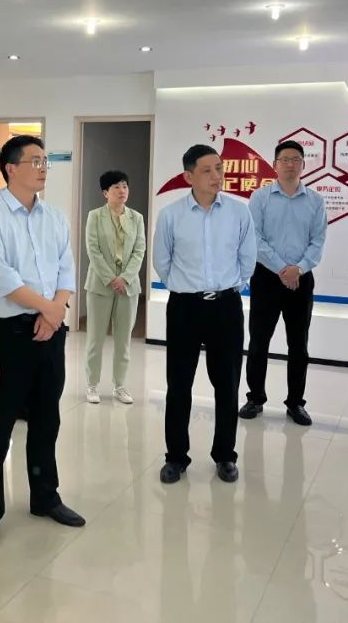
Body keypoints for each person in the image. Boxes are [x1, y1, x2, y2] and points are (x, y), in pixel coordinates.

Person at [0, 134, 85, 552]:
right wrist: (49, 309)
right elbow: (2, 278)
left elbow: (67, 268)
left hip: (49, 334)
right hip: (8, 336)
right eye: (35, 161)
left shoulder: (54, 217)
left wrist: (55, 311)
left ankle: (45, 497)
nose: (43, 168)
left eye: (45, 161)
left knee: (46, 420)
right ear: (11, 168)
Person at [152, 144, 257, 485]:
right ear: (189, 176)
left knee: (227, 384)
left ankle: (225, 455)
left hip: (226, 307)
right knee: (179, 384)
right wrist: (185, 287)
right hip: (185, 307)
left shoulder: (239, 212)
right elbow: (162, 261)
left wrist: (231, 287)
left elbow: (248, 258)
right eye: (207, 170)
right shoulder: (171, 215)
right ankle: (176, 457)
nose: (217, 176)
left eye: (219, 168)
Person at [239, 140, 327, 426]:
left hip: (301, 279)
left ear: (303, 164)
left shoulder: (315, 201)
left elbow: (318, 242)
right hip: (266, 277)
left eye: (296, 159)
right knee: (258, 342)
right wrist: (282, 269)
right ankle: (255, 398)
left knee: (299, 345)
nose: (290, 164)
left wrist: (297, 269)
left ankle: (295, 403)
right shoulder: (260, 198)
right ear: (275, 165)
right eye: (285, 159)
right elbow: (255, 238)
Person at [83, 170, 146, 404]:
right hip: (100, 285)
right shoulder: (95, 216)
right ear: (105, 193)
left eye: (125, 186)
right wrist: (111, 278)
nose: (122, 191)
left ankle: (120, 386)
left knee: (123, 340)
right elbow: (93, 249)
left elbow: (139, 250)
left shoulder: (136, 218)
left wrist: (125, 278)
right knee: (95, 339)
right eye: (116, 187)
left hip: (128, 287)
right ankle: (92, 385)